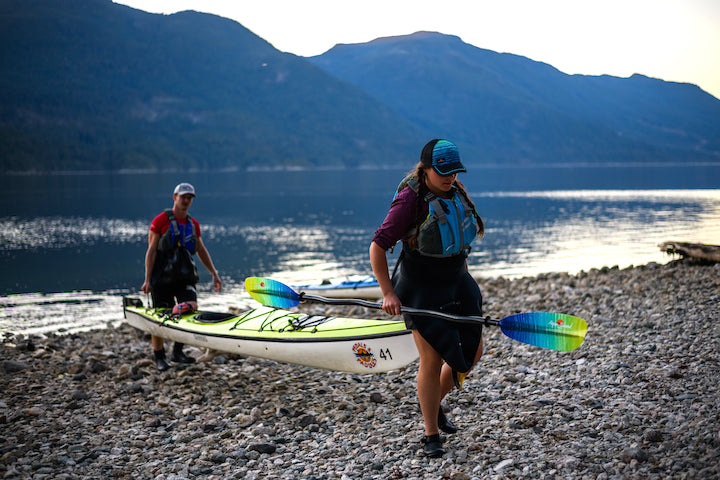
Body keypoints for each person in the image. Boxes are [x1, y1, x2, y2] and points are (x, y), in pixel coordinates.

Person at [369, 139, 485, 458]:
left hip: (456, 280)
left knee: (473, 352)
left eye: (454, 171)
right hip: (420, 286)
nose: (450, 177)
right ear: (427, 169)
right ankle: (431, 433)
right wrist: (388, 293)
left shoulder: (455, 189)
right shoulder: (411, 199)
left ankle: (432, 403)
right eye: (443, 172)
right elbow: (377, 247)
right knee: (432, 359)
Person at [141, 182, 222, 371]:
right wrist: (147, 279)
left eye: (189, 198)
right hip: (162, 278)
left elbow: (201, 250)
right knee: (160, 316)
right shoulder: (161, 221)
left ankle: (178, 351)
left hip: (185, 277)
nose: (186, 201)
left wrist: (214, 274)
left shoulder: (193, 224)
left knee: (189, 309)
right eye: (183, 196)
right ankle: (159, 357)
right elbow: (151, 251)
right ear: (174, 197)